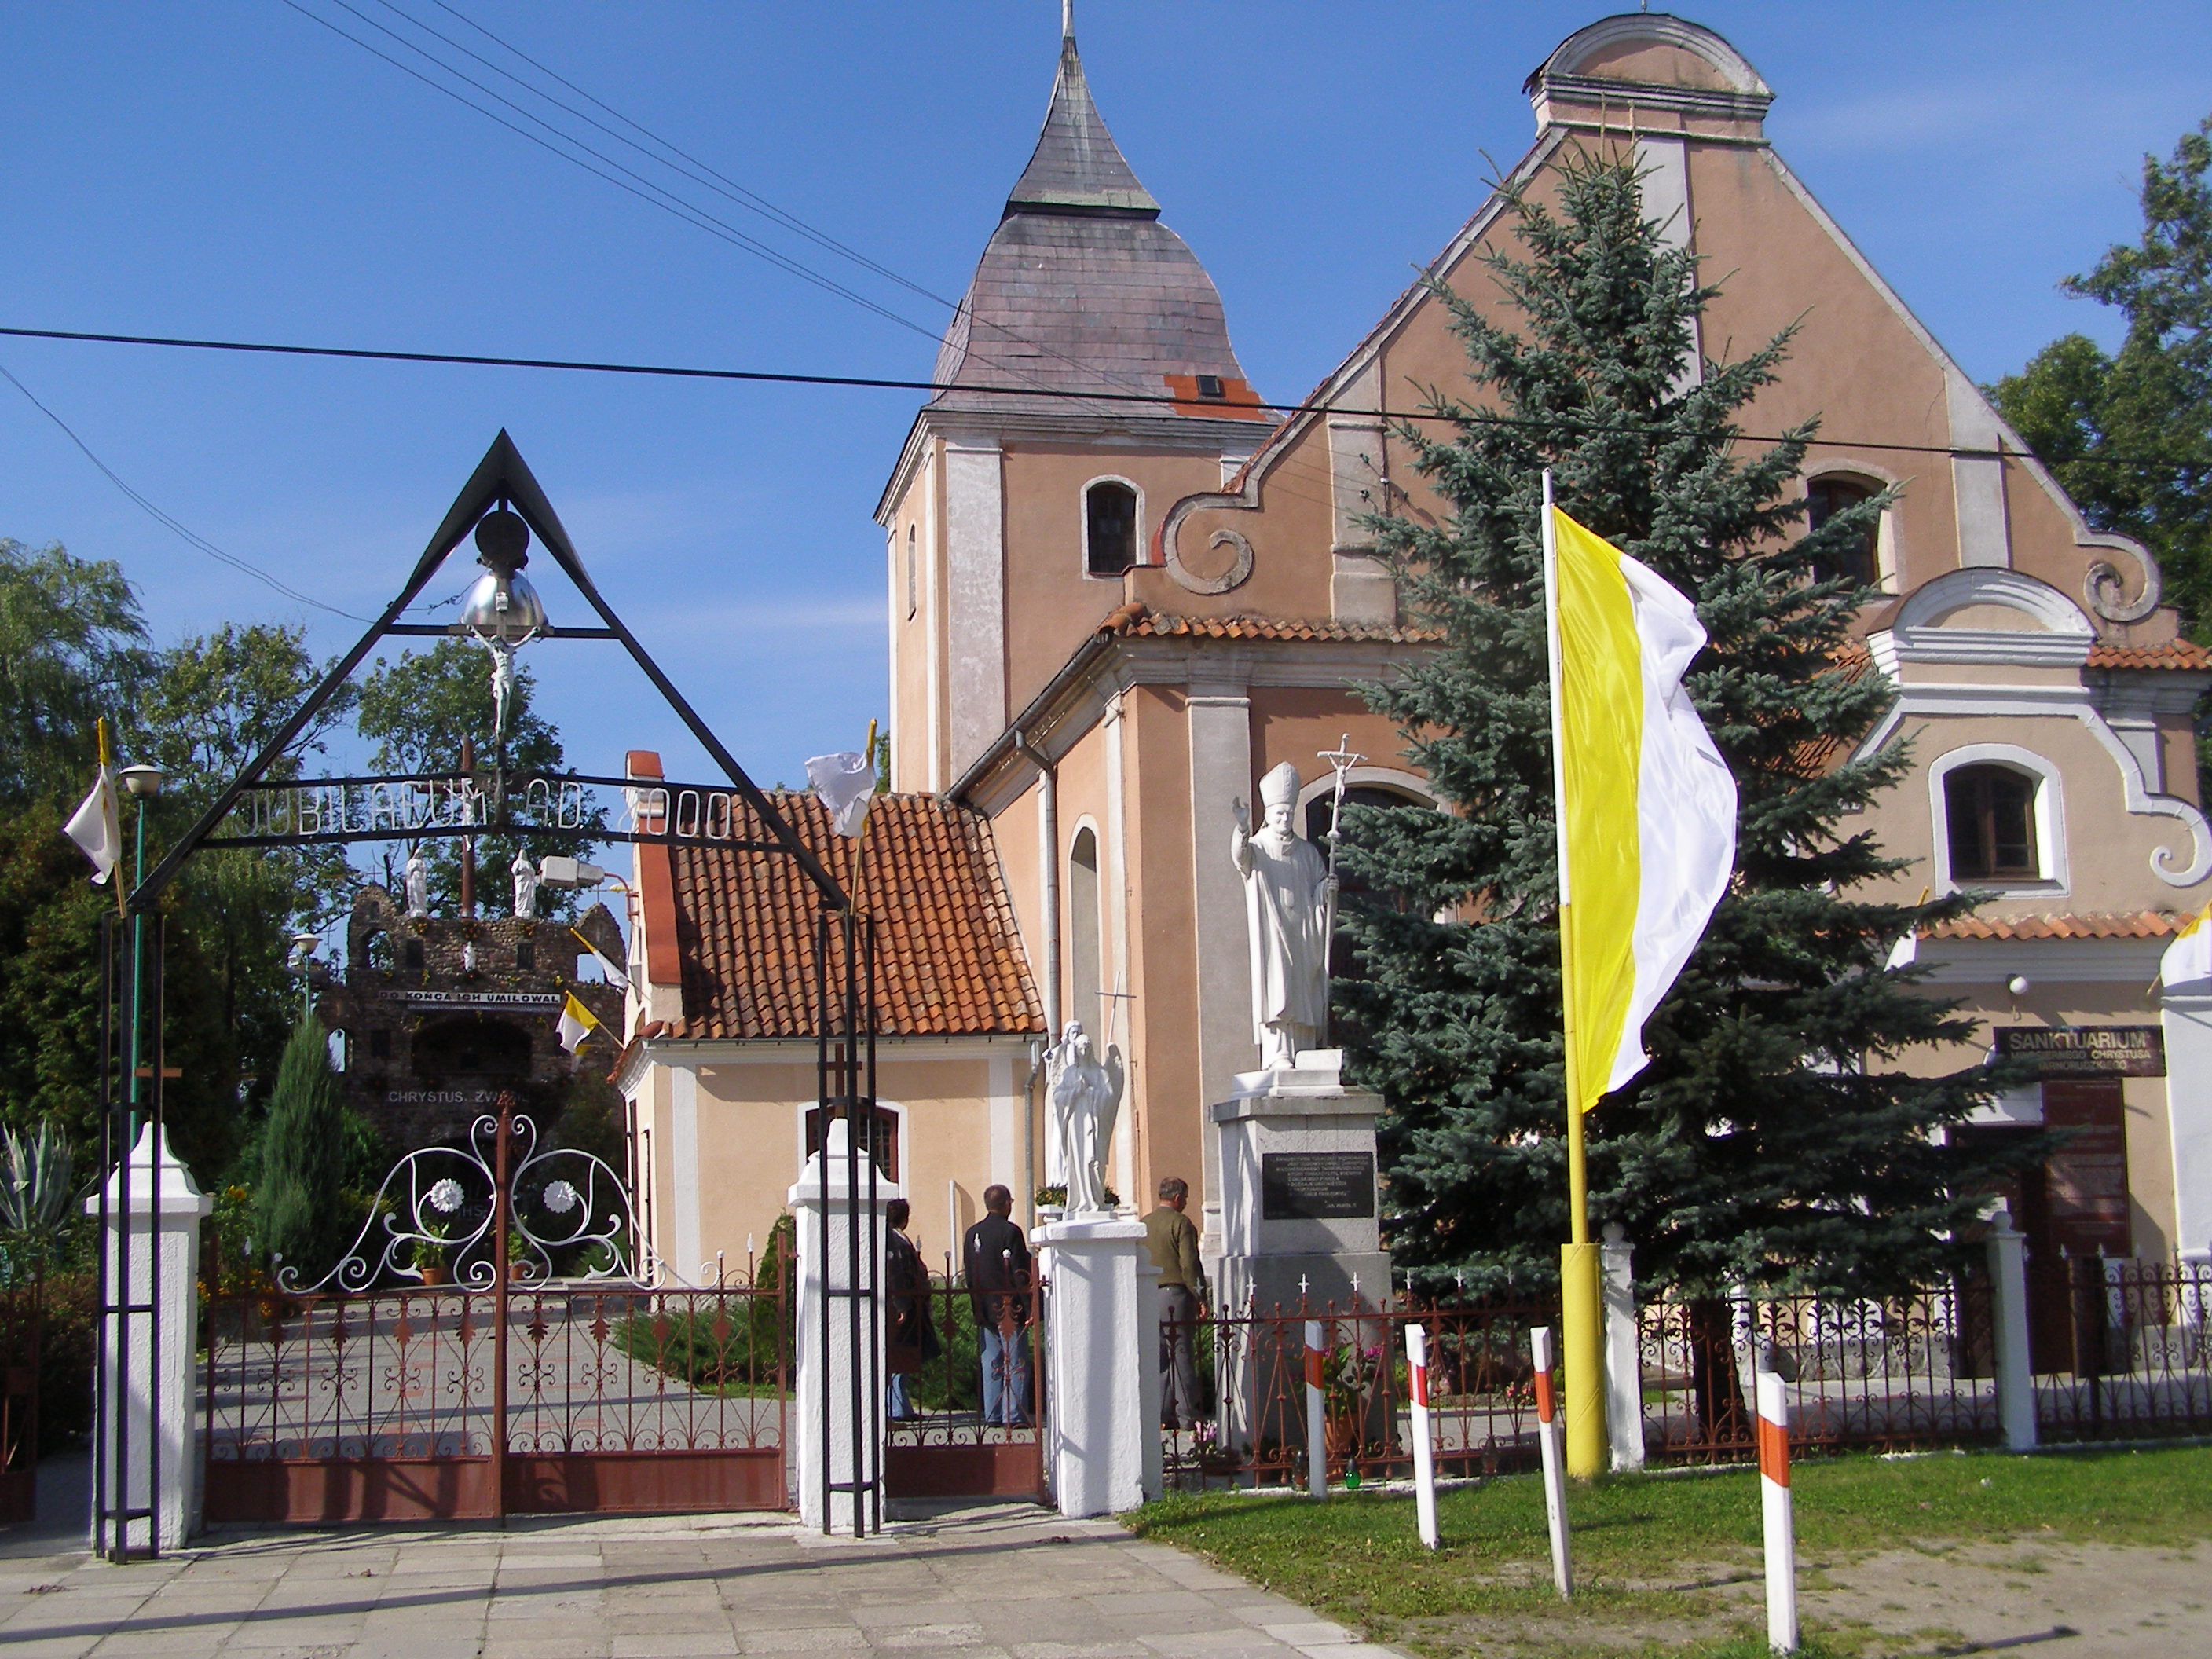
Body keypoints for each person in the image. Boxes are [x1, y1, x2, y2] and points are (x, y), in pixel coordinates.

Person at [1232, 761, 1336, 1070]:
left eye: (1289, 813)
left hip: (1303, 932)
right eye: (1279, 813)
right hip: (1274, 930)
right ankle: (1279, 1053)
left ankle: (1304, 1048)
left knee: (1303, 988)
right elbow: (1241, 858)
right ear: (1268, 815)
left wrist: (1327, 891)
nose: (1285, 818)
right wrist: (1242, 828)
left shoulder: (1307, 853)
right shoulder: (1259, 847)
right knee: (1279, 989)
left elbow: (1319, 887)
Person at [962, 1185, 1032, 1426]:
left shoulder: (973, 1233)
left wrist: (976, 1304)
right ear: (1006, 1204)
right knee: (1015, 1361)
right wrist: (1029, 1307)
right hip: (1009, 1306)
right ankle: (1013, 1414)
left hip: (984, 1304)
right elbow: (1020, 1272)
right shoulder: (1010, 1231)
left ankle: (993, 1413)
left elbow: (969, 1271)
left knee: (991, 1360)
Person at [1143, 1176, 1208, 1431]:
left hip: (1148, 1293)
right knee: (1181, 1355)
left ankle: (1159, 1414)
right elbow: (1189, 1264)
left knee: (1158, 1357)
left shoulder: (1144, 1223)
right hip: (1174, 1294)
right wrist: (1200, 1295)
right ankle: (1187, 1415)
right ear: (1178, 1197)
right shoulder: (1181, 1223)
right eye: (1186, 1198)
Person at [883, 1198, 936, 1421]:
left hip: (909, 1303)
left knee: (903, 1357)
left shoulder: (896, 1238)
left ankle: (900, 1405)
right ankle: (897, 1407)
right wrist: (902, 1305)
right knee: (900, 1356)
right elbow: (896, 1274)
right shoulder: (892, 1240)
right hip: (904, 1305)